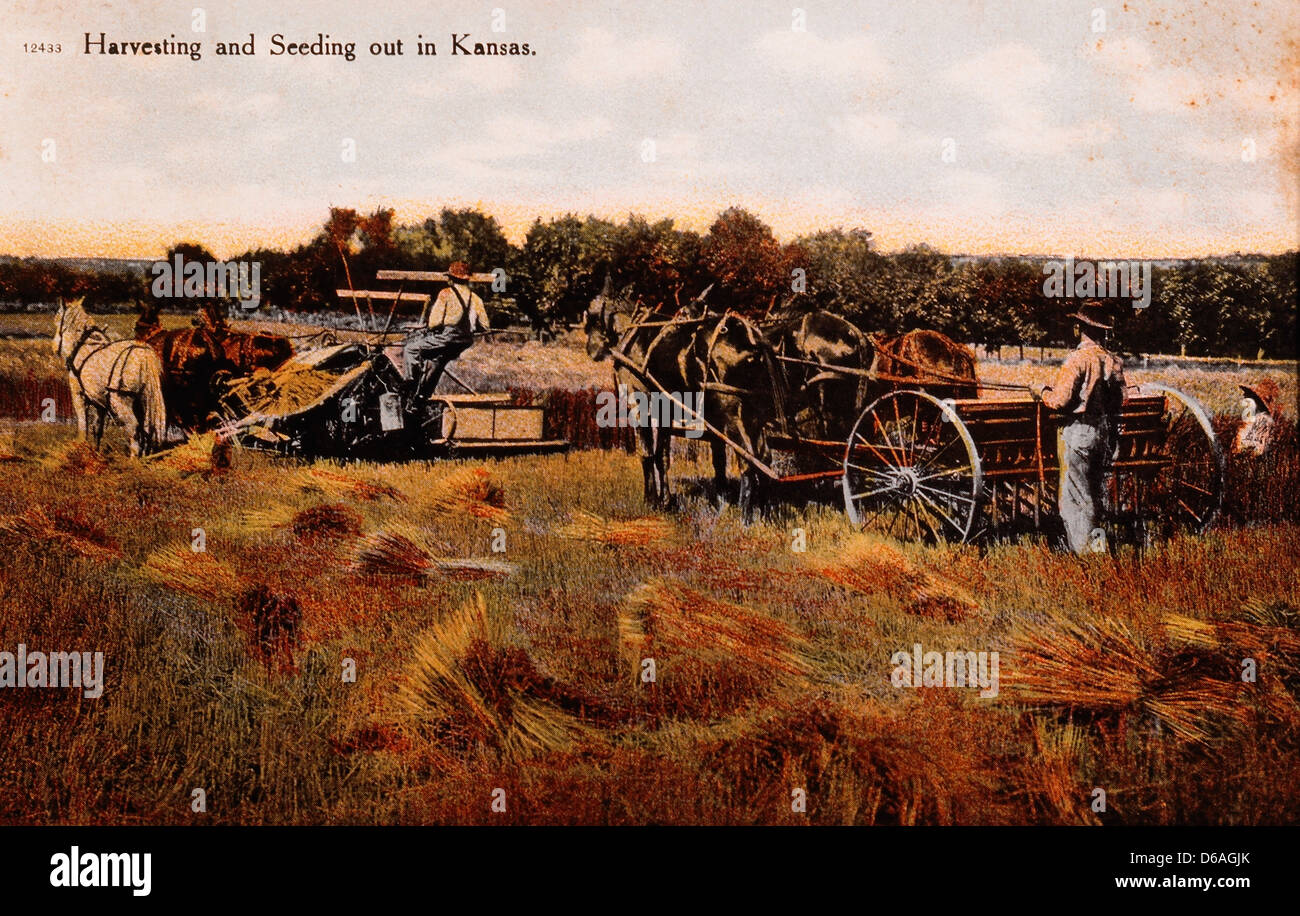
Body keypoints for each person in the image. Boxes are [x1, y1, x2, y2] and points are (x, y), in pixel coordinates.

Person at [1031, 301, 1126, 555]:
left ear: (1079, 328)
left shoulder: (1076, 360)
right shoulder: (1113, 361)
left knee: (1074, 499)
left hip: (1078, 432)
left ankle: (1085, 556)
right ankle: (1097, 548)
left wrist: (1041, 392)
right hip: (1102, 432)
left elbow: (1060, 401)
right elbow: (1119, 400)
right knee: (1094, 494)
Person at [402, 261, 490, 404]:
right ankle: (422, 396)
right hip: (465, 341)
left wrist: (436, 327)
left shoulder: (446, 294)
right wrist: (468, 328)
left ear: (451, 279)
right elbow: (485, 326)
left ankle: (409, 385)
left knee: (411, 349)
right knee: (438, 360)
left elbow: (434, 323)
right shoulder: (476, 298)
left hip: (448, 336)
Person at [1234, 378, 1281, 456]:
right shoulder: (1253, 417)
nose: (1244, 397)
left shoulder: (1264, 420)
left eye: (1248, 396)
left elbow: (1259, 449)